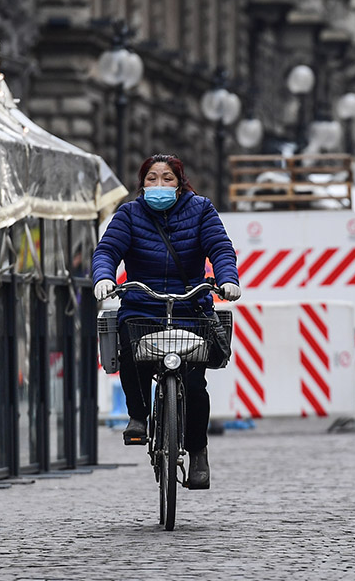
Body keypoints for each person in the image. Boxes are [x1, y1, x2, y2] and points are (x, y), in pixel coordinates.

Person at [91, 154, 240, 490]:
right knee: (130, 349)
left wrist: (227, 279)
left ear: (180, 182)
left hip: (191, 307)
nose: (159, 185)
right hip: (143, 305)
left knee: (196, 385)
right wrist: (103, 277)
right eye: (152, 178)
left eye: (167, 178)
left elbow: (221, 249)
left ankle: (198, 452)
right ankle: (139, 416)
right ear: (142, 184)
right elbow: (106, 252)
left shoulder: (201, 209)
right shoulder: (129, 214)